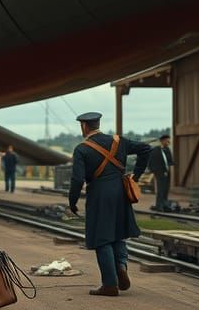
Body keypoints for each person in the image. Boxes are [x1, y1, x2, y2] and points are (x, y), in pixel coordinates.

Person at [68, 112, 151, 296]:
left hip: (99, 195)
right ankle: (121, 266)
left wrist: (72, 201)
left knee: (102, 238)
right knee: (118, 234)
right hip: (121, 192)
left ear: (84, 126)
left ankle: (110, 284)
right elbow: (146, 148)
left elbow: (77, 179)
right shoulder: (118, 141)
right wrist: (136, 176)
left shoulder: (82, 149)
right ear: (98, 124)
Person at [148, 134, 174, 211]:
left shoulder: (167, 149)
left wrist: (169, 168)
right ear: (162, 141)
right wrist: (154, 170)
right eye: (167, 141)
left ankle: (164, 204)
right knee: (160, 189)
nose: (168, 142)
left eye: (169, 141)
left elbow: (170, 161)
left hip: (167, 172)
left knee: (166, 188)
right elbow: (151, 161)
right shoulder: (155, 150)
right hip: (159, 172)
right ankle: (159, 206)